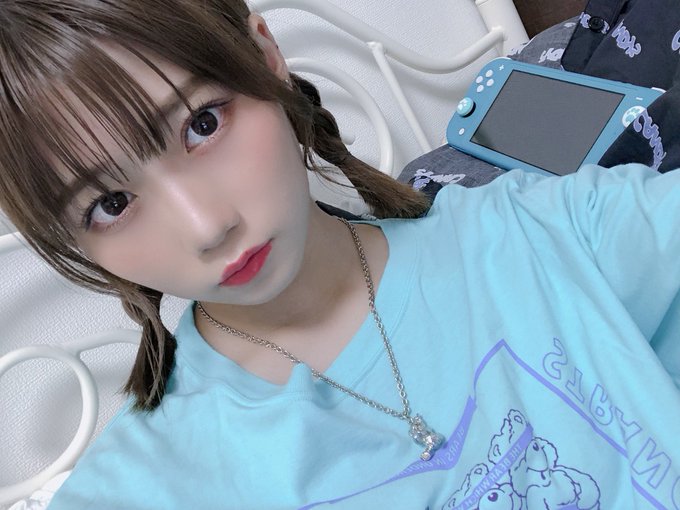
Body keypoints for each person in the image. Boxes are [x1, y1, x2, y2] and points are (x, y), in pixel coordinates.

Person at [0, 1, 679, 509]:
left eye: (201, 124)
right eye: (111, 204)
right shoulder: (146, 486)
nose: (207, 226)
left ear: (266, 57)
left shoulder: (548, 232)